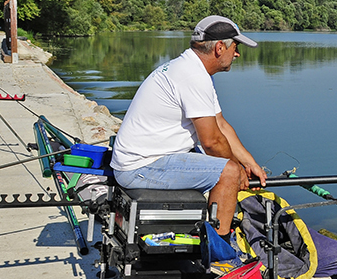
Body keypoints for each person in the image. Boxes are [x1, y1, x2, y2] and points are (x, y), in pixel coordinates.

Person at [110, 15, 266, 238]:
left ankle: (211, 232)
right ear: (220, 48)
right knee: (228, 172)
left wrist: (250, 164)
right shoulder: (192, 76)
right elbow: (211, 142)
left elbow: (221, 125)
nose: (237, 54)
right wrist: (238, 171)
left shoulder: (192, 69)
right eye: (236, 47)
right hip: (139, 167)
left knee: (228, 166)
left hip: (145, 159)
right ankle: (220, 249)